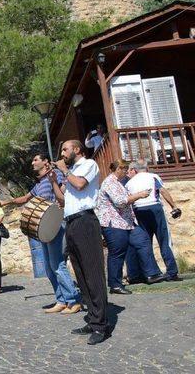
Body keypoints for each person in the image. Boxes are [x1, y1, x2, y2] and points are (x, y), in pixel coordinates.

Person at [1, 154, 81, 314]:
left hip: (55, 224)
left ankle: (74, 300)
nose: (32, 162)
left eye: (35, 159)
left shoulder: (56, 174)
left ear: (45, 162)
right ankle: (61, 300)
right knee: (49, 267)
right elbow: (25, 198)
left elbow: (64, 192)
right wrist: (7, 202)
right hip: (42, 227)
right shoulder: (38, 184)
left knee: (57, 264)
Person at [50, 140, 108, 345]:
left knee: (93, 273)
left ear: (76, 149)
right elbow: (62, 199)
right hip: (72, 222)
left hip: (86, 220)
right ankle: (93, 320)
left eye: (65, 148)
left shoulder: (89, 165)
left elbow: (81, 184)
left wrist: (64, 170)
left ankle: (101, 325)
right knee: (81, 275)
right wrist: (53, 182)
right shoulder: (72, 170)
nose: (62, 152)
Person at [96, 160, 165, 295]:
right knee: (117, 253)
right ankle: (115, 284)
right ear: (117, 169)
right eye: (124, 169)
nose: (126, 171)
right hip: (114, 223)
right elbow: (120, 202)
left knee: (143, 240)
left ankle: (151, 274)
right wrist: (139, 195)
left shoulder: (119, 183)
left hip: (126, 222)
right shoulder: (110, 182)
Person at [125, 159, 182, 282]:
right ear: (147, 167)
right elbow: (162, 191)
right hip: (154, 208)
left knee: (145, 243)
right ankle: (172, 272)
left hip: (138, 210)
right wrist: (174, 206)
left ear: (134, 169)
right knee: (164, 241)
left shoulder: (129, 183)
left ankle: (149, 273)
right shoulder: (153, 176)